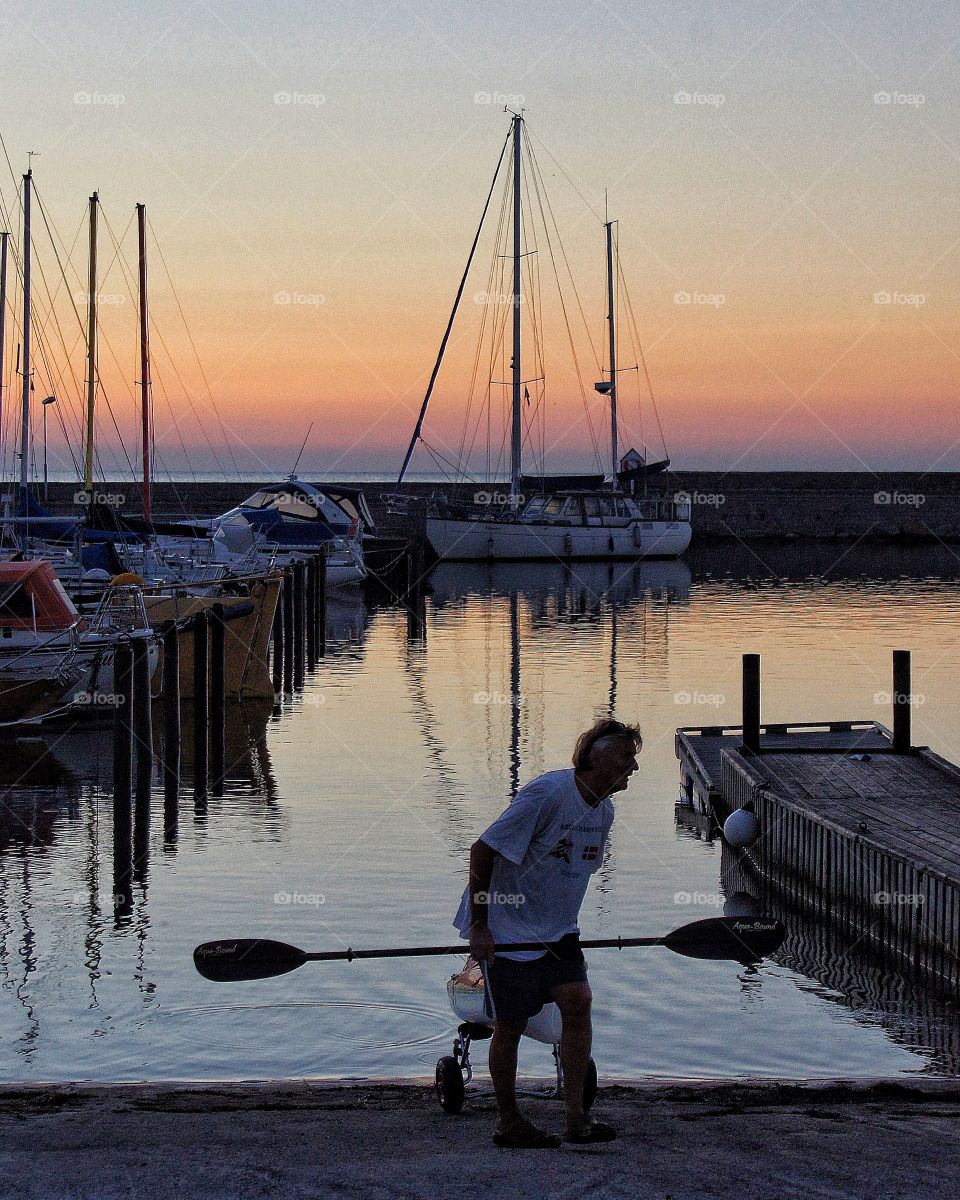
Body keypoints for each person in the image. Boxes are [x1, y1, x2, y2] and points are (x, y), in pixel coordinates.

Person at [453, 717, 641, 1148]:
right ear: (595, 758)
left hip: (558, 932)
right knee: (512, 1022)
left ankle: (576, 1117)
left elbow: (570, 875)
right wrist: (481, 926)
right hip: (507, 927)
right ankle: (509, 1121)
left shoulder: (605, 811)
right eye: (625, 757)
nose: (633, 767)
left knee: (578, 1003)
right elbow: (482, 851)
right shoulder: (548, 794)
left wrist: (562, 927)